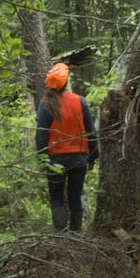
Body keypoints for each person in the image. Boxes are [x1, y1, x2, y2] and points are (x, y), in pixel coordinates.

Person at [35, 62, 99, 231]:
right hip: (79, 158)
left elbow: (41, 136)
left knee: (56, 198)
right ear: (65, 82)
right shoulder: (80, 102)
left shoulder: (45, 104)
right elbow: (91, 132)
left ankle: (60, 236)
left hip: (55, 160)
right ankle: (76, 233)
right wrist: (93, 156)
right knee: (75, 197)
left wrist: (42, 160)